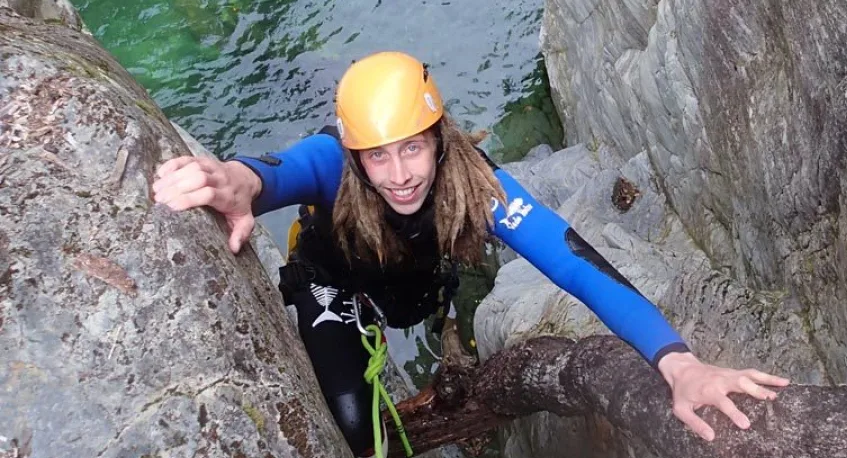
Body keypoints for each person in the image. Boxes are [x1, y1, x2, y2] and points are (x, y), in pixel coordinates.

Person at [153, 51, 790, 457]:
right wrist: (233, 182)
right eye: (377, 154)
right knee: (354, 427)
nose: (399, 173)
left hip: (418, 281)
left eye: (412, 148)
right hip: (335, 284)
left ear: (439, 138)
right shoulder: (330, 163)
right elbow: (266, 176)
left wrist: (678, 364)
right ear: (355, 156)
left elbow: (576, 265)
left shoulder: (481, 191)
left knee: (424, 313)